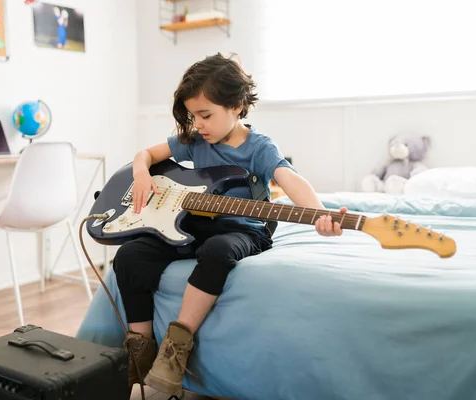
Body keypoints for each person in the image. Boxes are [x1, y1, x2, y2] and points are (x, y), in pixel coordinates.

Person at [113, 52, 346, 397]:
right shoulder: (195, 141)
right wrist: (141, 174)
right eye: (194, 116)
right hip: (196, 223)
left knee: (218, 250)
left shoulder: (259, 148)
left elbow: (290, 179)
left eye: (206, 115)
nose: (199, 124)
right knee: (129, 255)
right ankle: (140, 351)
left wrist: (319, 213)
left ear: (237, 106)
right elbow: (144, 155)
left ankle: (175, 350)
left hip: (245, 228)